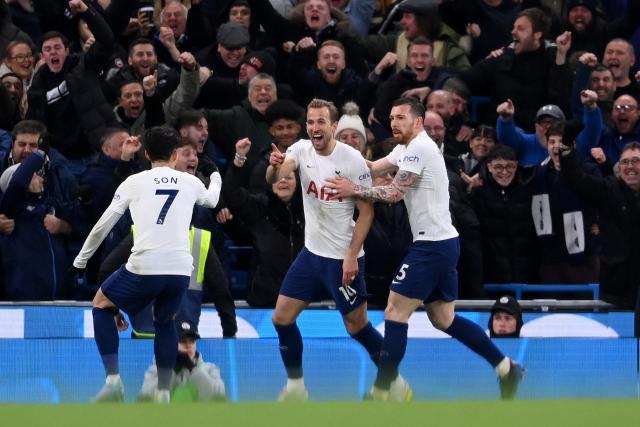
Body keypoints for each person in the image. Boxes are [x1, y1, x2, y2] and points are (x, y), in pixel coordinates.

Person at [325, 97, 524, 400]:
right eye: (391, 117)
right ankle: (506, 368)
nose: (394, 123)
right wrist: (334, 152)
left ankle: (381, 392)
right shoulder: (405, 147)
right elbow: (372, 167)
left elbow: (393, 192)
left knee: (394, 311)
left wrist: (354, 189)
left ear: (417, 121)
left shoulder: (419, 147)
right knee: (444, 319)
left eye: (401, 117)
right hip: (441, 242)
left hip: (432, 245)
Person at [72, 126, 222, 403]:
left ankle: (114, 382)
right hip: (179, 271)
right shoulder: (189, 182)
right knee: (165, 322)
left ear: (147, 153)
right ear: (176, 154)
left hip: (145, 266)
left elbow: (103, 226)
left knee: (101, 304)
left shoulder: (134, 182)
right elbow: (212, 200)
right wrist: (214, 174)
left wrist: (81, 260)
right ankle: (163, 391)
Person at [265, 98, 382, 401]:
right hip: (311, 255)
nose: (315, 128)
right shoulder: (300, 150)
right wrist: (274, 168)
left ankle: (392, 382)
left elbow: (367, 213)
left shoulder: (352, 160)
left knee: (357, 327)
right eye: (311, 122)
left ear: (333, 127)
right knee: (281, 318)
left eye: (321, 122)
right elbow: (277, 177)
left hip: (343, 258)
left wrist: (351, 256)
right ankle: (295, 388)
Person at [138, 321, 226, 402]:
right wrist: (171, 371)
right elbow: (146, 397)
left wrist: (193, 370)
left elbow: (218, 397)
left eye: (192, 341)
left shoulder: (210, 369)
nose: (188, 345)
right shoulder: (157, 369)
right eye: (182, 341)